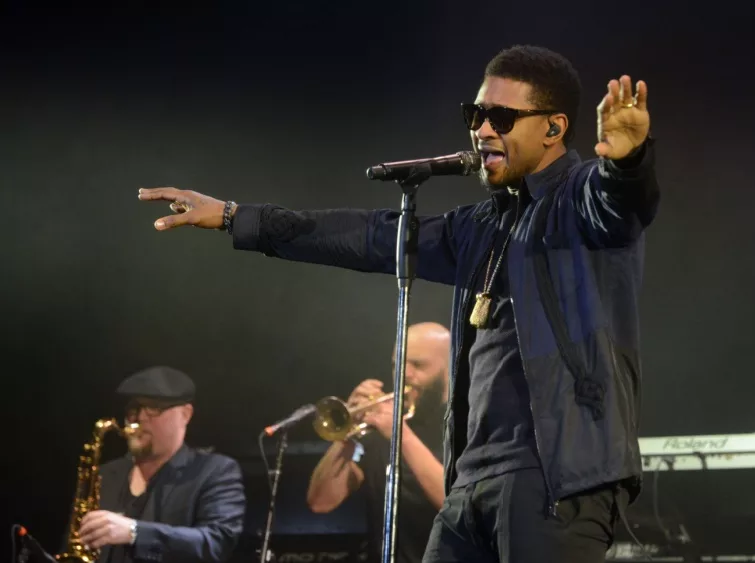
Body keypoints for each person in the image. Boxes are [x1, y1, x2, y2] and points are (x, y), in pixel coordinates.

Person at [138, 44, 658, 563]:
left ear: (553, 128)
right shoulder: (478, 227)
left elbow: (619, 201)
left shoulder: (580, 199)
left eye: (501, 116)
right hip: (471, 480)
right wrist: (236, 216)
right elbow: (366, 236)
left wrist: (628, 162)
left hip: (555, 481)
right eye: (475, 114)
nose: (481, 129)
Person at [306, 322, 449, 563]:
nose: (404, 373)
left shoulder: (467, 424)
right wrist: (347, 431)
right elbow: (321, 503)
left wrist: (401, 435)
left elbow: (456, 504)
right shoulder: (379, 432)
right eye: (397, 364)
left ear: (450, 367)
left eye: (418, 365)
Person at [76, 366, 246, 563]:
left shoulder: (215, 471)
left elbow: (216, 543)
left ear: (185, 414)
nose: (138, 418)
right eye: (134, 408)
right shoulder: (104, 475)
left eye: (153, 407)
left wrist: (135, 532)